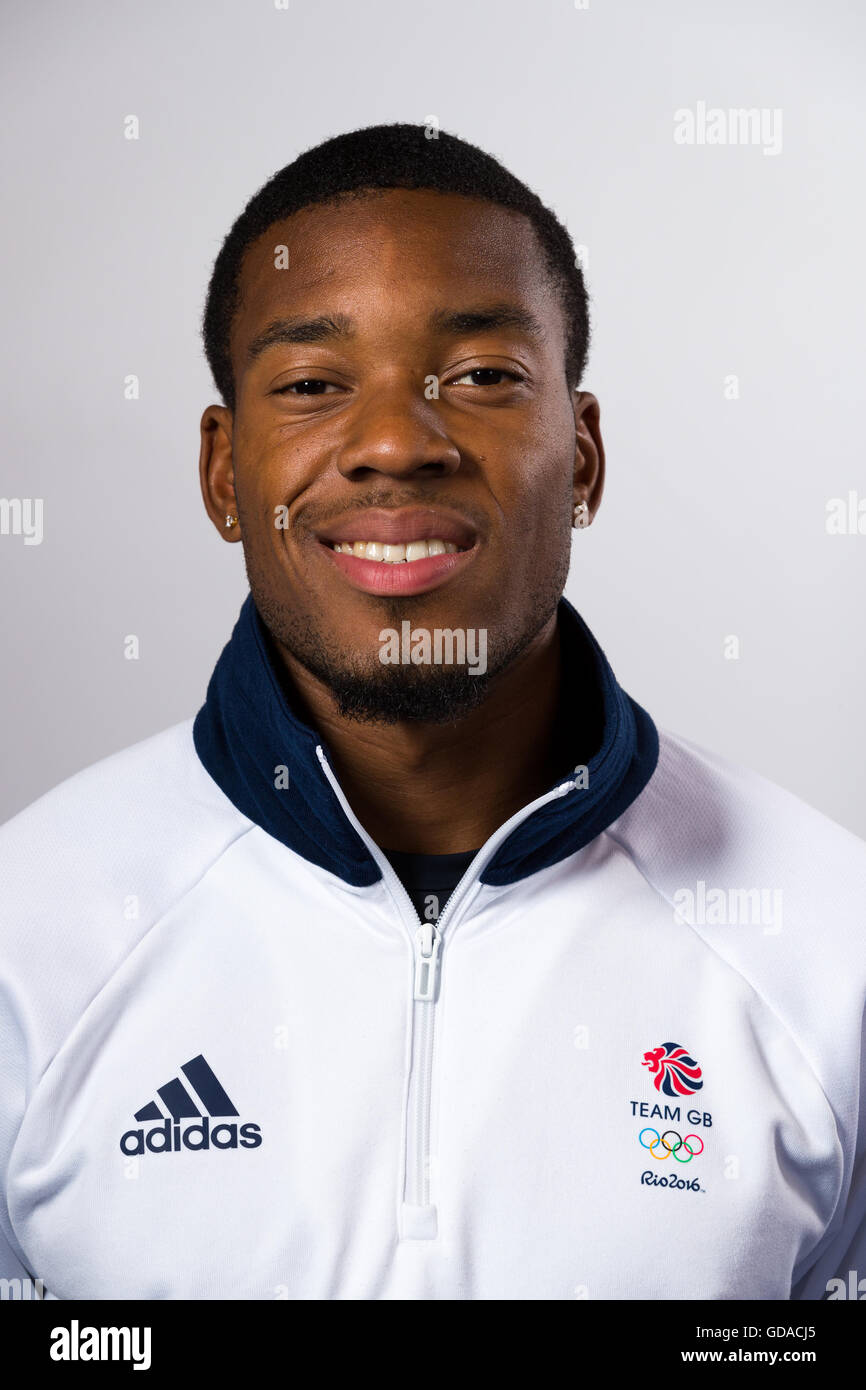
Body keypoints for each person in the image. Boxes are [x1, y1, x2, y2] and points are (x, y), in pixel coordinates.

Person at [1, 123, 864, 1301]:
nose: (398, 443)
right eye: (311, 385)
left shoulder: (825, 943)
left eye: (480, 378)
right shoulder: (29, 934)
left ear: (583, 457)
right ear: (222, 473)